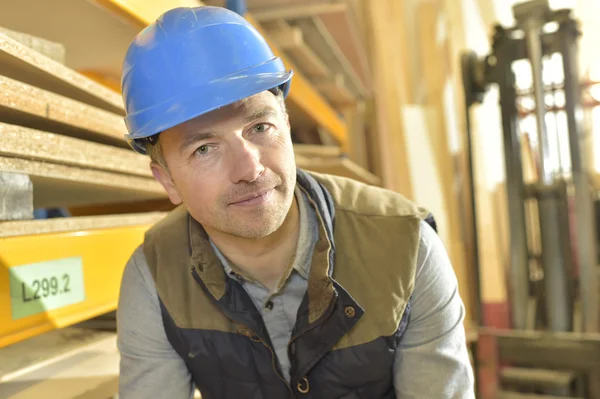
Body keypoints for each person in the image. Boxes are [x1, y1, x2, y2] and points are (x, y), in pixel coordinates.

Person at [116, 5, 475, 399]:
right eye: (204, 149)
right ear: (168, 180)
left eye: (260, 126)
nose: (249, 167)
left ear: (287, 127)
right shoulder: (153, 278)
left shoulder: (406, 248)